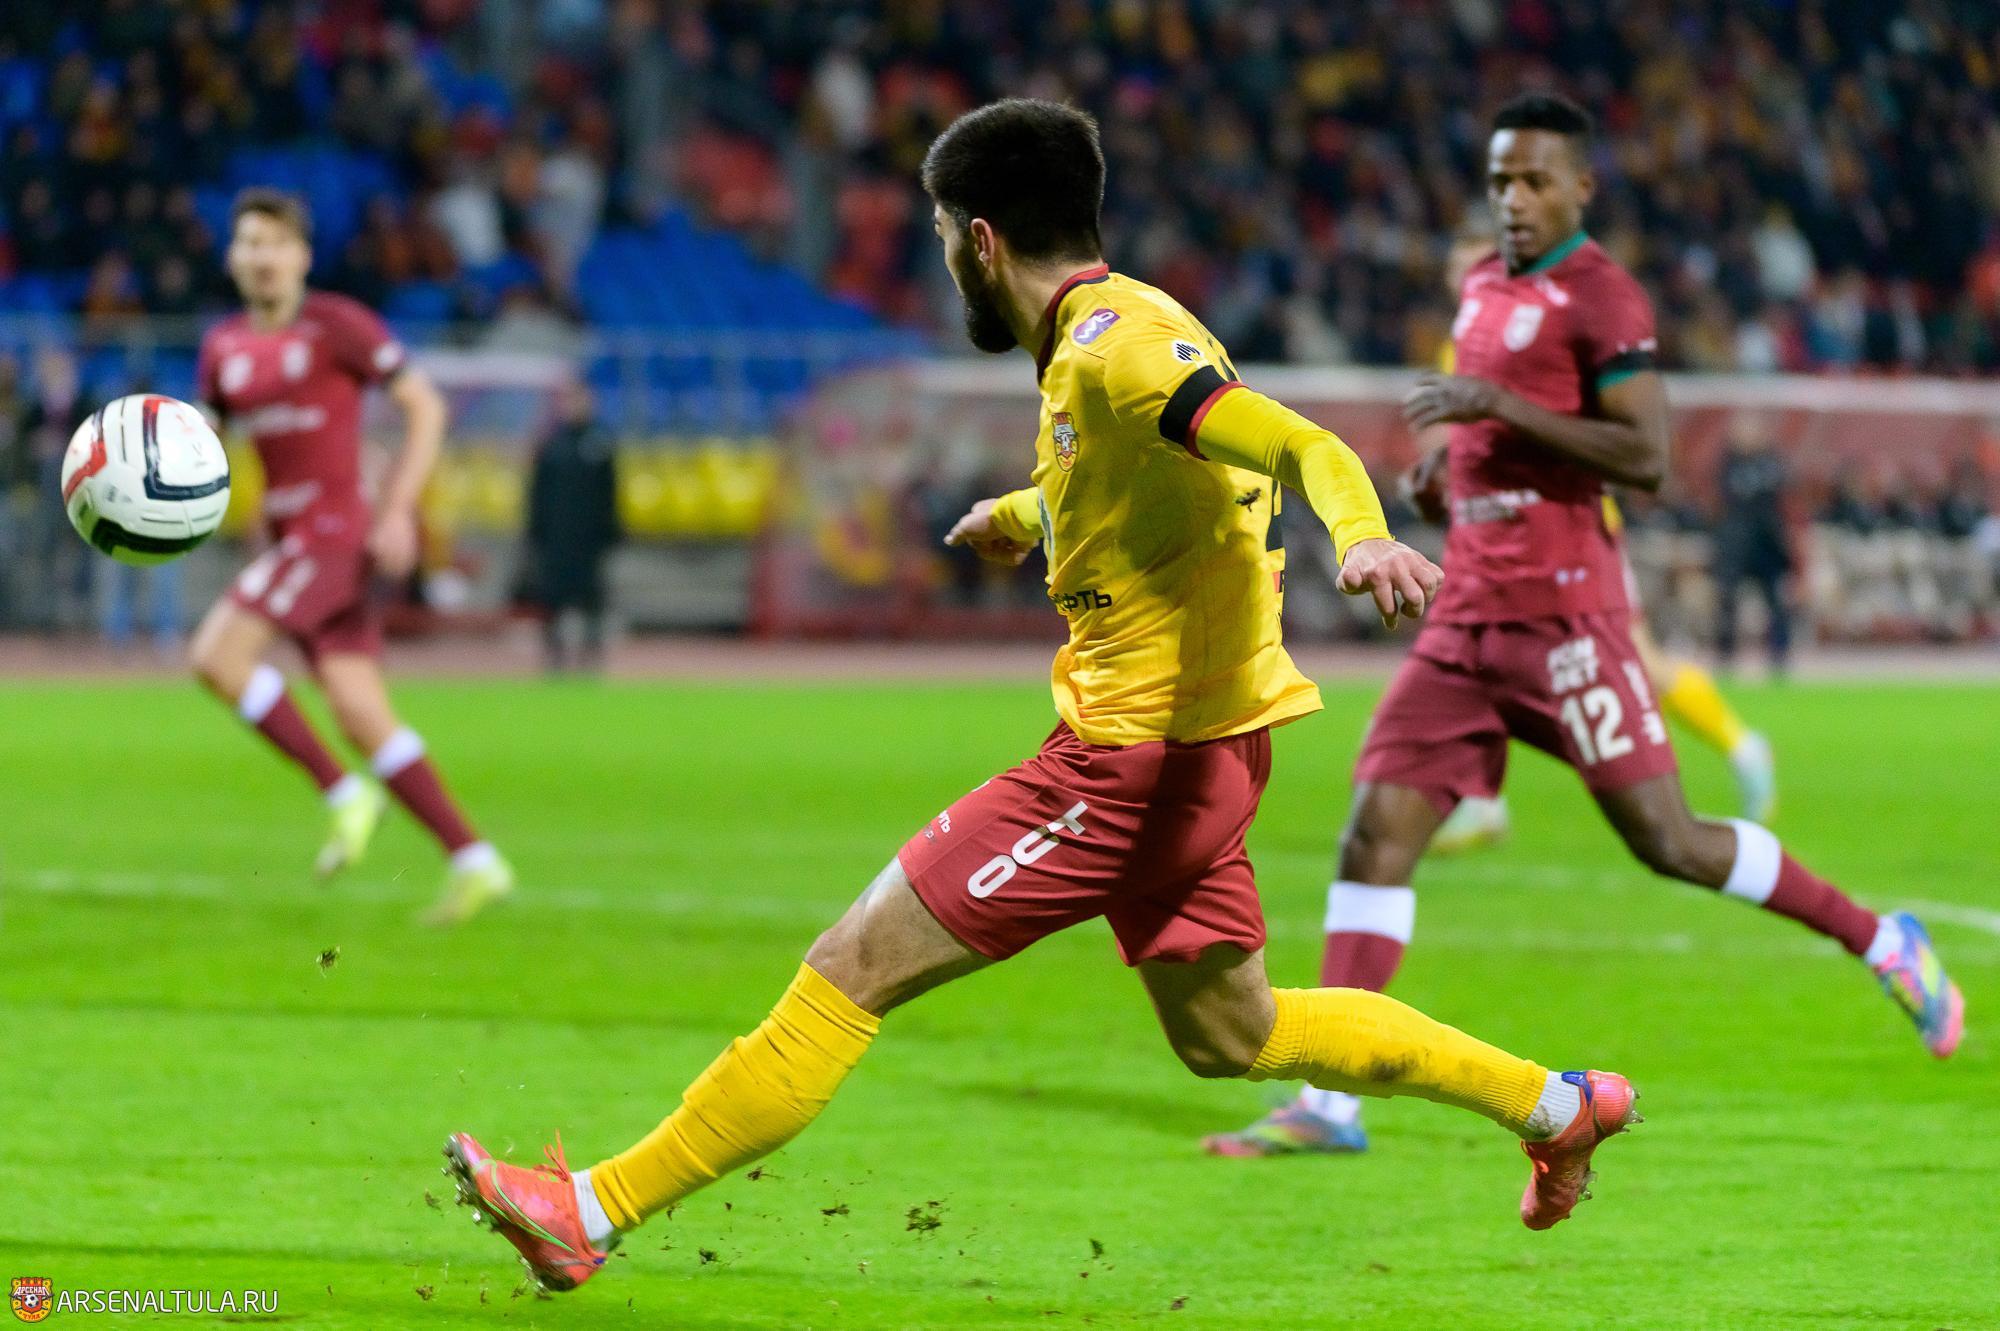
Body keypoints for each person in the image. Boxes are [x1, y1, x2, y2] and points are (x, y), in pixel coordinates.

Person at [444, 99, 1645, 1293]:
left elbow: (1301, 445)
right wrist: (1025, 513)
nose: (942, 261)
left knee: (851, 963)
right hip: (1202, 751)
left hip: (1126, 767)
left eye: (939, 237)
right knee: (1236, 1033)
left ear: (979, 240)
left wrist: (1363, 535)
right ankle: (1553, 1105)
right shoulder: (1113, 333)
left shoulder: (1119, 349)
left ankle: (588, 1209)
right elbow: (1150, 477)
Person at [1202, 94, 1964, 1162]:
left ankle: (1882, 938)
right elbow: (1488, 448)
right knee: (1373, 836)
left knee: (1670, 840)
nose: (1513, 199)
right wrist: (1444, 481)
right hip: (1465, 621)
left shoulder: (1603, 297)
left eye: (1533, 180)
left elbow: (1645, 458)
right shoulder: (1482, 287)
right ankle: (1331, 1103)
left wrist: (1500, 410)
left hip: (1565, 623)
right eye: (1499, 180)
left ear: (1580, 187)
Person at [190, 189, 514, 925]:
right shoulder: (223, 349)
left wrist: (398, 508)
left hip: (335, 532)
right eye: (250, 243)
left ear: (303, 256)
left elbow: (425, 406)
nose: (264, 257)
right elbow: (200, 449)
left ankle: (344, 792)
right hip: (290, 539)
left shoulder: (337, 325)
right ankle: (476, 860)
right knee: (361, 711)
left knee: (216, 656)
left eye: (277, 243)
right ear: (232, 257)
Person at [1419, 231, 1777, 857]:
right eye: (1454, 265)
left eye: (1471, 264)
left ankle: (1742, 749)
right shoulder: (1461, 344)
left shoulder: (1533, 333)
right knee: (1477, 654)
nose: (1459, 276)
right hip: (1498, 535)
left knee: (1637, 664)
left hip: (1567, 529)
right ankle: (1480, 799)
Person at [524, 376, 621, 673]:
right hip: (556, 538)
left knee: (592, 598)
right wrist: (535, 531)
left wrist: (611, 532)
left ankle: (591, 656)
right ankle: (555, 657)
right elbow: (538, 492)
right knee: (553, 598)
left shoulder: (601, 442)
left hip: (589, 538)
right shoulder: (552, 444)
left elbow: (610, 492)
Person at [1711, 411, 1794, 674]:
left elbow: (1779, 493)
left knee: (1776, 601)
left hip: (1767, 546)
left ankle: (1779, 656)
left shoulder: (1771, 462)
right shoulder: (1728, 464)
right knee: (1727, 600)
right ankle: (1726, 655)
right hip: (1736, 546)